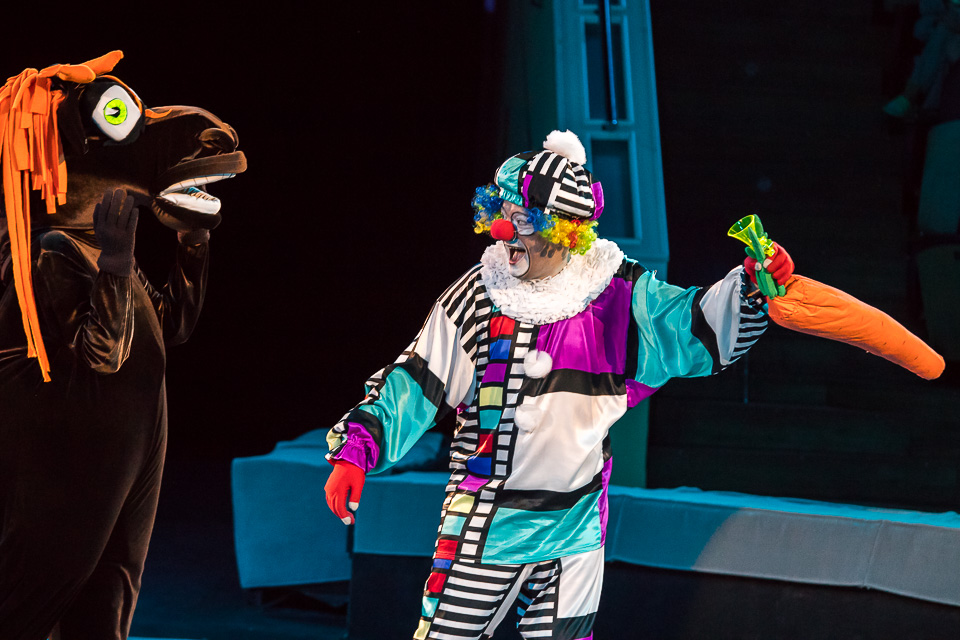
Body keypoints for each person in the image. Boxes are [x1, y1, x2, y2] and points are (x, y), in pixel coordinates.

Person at [324, 130, 793, 639]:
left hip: (575, 529)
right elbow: (417, 379)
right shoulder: (479, 294)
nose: (503, 230)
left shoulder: (616, 293)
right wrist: (357, 449)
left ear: (566, 232)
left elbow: (689, 324)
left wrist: (751, 286)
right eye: (501, 212)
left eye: (523, 220)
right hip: (487, 525)